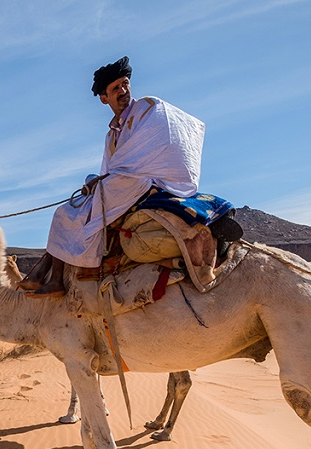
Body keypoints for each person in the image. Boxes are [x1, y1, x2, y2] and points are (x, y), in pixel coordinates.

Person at [20, 56, 206, 297]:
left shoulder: (147, 109)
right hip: (123, 182)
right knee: (68, 208)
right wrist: (98, 180)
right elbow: (112, 168)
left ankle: (51, 277)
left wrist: (109, 178)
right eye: (116, 88)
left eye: (125, 84)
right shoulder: (111, 135)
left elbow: (158, 143)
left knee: (78, 208)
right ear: (104, 98)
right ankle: (49, 274)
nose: (123, 91)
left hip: (146, 181)